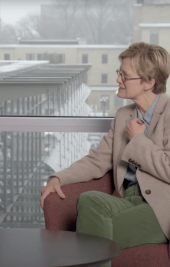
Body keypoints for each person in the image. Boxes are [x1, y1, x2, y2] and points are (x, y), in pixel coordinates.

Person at [41, 42, 170, 267]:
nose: (118, 79)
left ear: (149, 82)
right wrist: (59, 177)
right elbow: (97, 159)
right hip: (126, 199)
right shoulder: (123, 115)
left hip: (160, 209)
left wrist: (138, 140)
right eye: (119, 73)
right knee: (89, 199)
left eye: (125, 75)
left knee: (88, 242)